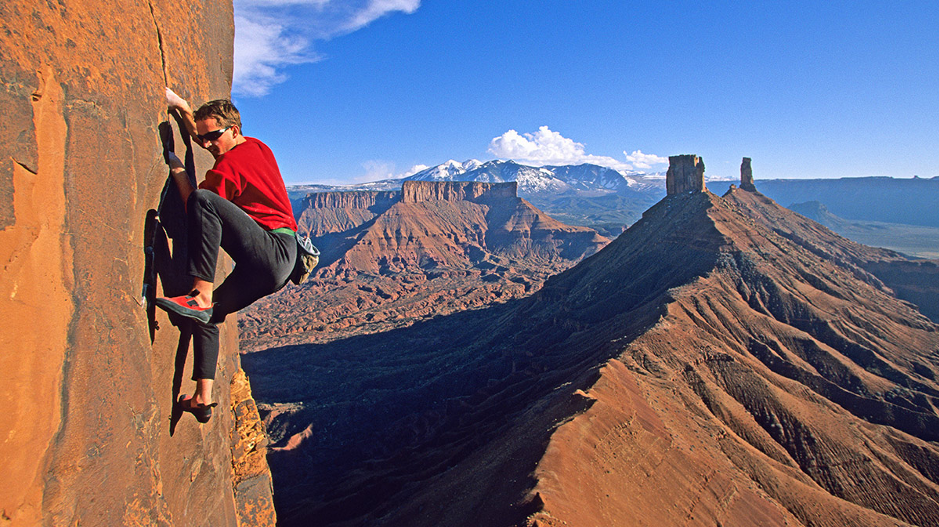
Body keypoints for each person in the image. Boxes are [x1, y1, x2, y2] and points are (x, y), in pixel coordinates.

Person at [157, 88, 297, 423]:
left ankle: (199, 294)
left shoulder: (232, 164)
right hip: (273, 265)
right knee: (211, 316)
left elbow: (196, 202)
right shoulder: (257, 146)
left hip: (272, 250)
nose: (205, 145)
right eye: (201, 139)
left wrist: (177, 169)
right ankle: (202, 400)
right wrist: (183, 108)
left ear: (234, 130)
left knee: (204, 201)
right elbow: (207, 132)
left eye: (212, 138)